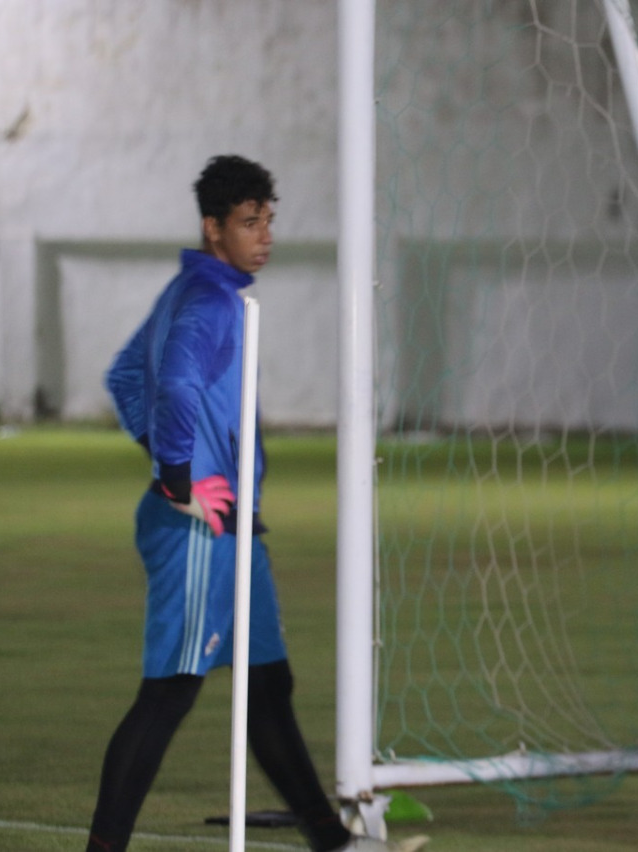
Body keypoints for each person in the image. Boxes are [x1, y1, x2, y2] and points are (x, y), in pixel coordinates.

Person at [89, 155, 400, 852]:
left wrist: (176, 464)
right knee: (169, 693)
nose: (265, 236)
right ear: (213, 228)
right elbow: (172, 386)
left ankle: (332, 841)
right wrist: (179, 480)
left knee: (267, 684)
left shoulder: (194, 290)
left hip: (234, 531)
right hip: (199, 532)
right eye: (248, 223)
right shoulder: (209, 301)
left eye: (268, 221)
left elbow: (123, 377)